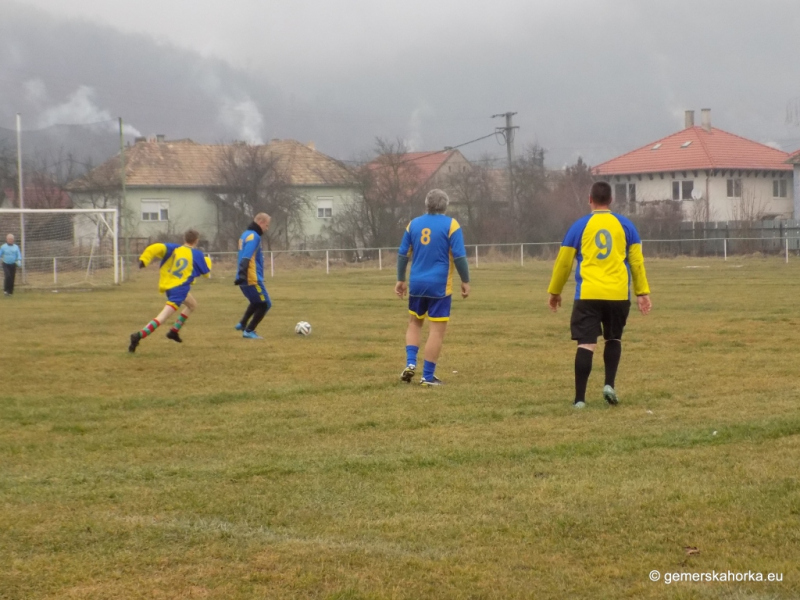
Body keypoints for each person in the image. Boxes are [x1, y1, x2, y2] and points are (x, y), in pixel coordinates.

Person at [547, 181, 651, 408]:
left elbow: (563, 263)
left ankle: (580, 400)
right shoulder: (626, 226)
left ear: (590, 199)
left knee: (586, 344)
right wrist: (642, 292)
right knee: (613, 338)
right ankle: (609, 385)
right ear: (611, 200)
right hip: (617, 293)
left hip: (588, 293)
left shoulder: (580, 226)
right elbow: (636, 261)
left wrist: (555, 292)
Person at [396, 189, 470, 386]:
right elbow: (460, 256)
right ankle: (427, 377)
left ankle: (411, 363)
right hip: (439, 286)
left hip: (417, 285)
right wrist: (466, 280)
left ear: (426, 204)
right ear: (445, 205)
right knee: (436, 331)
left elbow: (403, 254)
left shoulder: (413, 224)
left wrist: (400, 279)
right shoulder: (451, 225)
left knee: (414, 323)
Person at [128, 229, 212, 353]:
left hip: (170, 286)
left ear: (184, 239)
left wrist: (144, 260)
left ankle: (174, 331)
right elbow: (207, 275)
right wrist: (208, 263)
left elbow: (155, 248)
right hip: (180, 289)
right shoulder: (197, 254)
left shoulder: (174, 248)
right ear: (196, 241)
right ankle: (138, 335)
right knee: (162, 317)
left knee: (192, 305)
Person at [234, 213, 272, 339]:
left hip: (245, 276)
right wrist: (243, 273)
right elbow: (246, 256)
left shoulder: (245, 234)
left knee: (256, 302)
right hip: (251, 277)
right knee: (265, 304)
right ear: (260, 222)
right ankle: (249, 330)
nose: (267, 228)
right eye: (267, 225)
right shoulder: (254, 236)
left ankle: (243, 323)